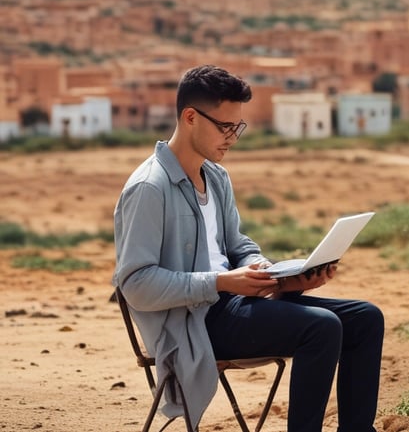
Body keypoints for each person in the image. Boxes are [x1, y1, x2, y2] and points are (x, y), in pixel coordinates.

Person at [112, 64, 384, 432]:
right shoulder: (149, 188)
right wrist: (222, 282)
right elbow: (136, 284)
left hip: (235, 304)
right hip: (194, 324)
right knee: (321, 328)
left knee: (365, 318)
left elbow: (239, 246)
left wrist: (273, 276)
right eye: (225, 127)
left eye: (237, 128)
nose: (232, 137)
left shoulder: (216, 177)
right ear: (190, 117)